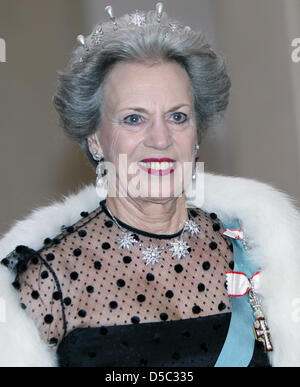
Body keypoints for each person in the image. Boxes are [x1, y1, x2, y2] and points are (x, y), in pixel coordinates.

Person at [0, 2, 300, 367]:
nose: (160, 139)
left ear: (197, 132)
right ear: (95, 138)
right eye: (133, 118)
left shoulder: (261, 250)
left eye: (177, 117)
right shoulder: (46, 282)